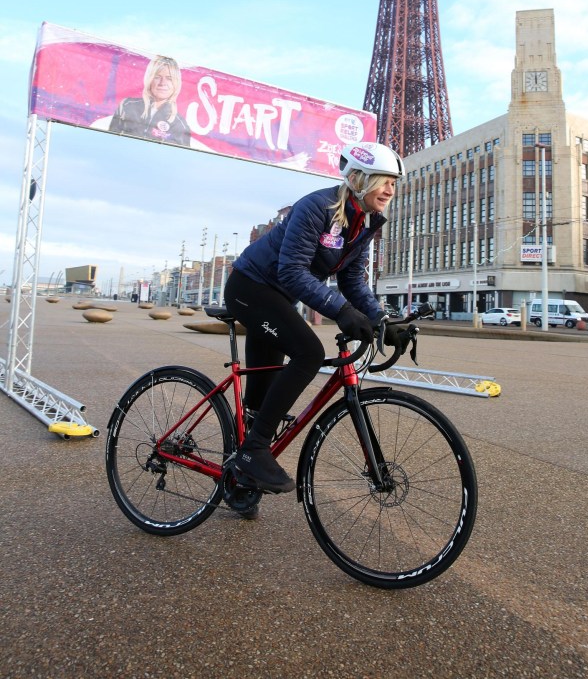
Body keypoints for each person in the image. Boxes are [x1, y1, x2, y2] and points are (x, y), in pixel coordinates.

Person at [224, 141, 405, 495]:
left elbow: (352, 279)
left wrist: (382, 319)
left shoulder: (363, 222)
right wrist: (340, 311)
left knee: (262, 399)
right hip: (250, 288)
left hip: (278, 300)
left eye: (394, 183)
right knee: (308, 352)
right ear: (356, 178)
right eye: (383, 180)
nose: (389, 190)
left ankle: (240, 479)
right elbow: (290, 271)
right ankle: (253, 453)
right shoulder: (316, 207)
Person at [108, 55, 190, 146]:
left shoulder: (179, 124)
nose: (162, 83)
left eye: (169, 78)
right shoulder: (127, 105)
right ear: (149, 79)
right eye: (157, 77)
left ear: (176, 83)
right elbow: (109, 141)